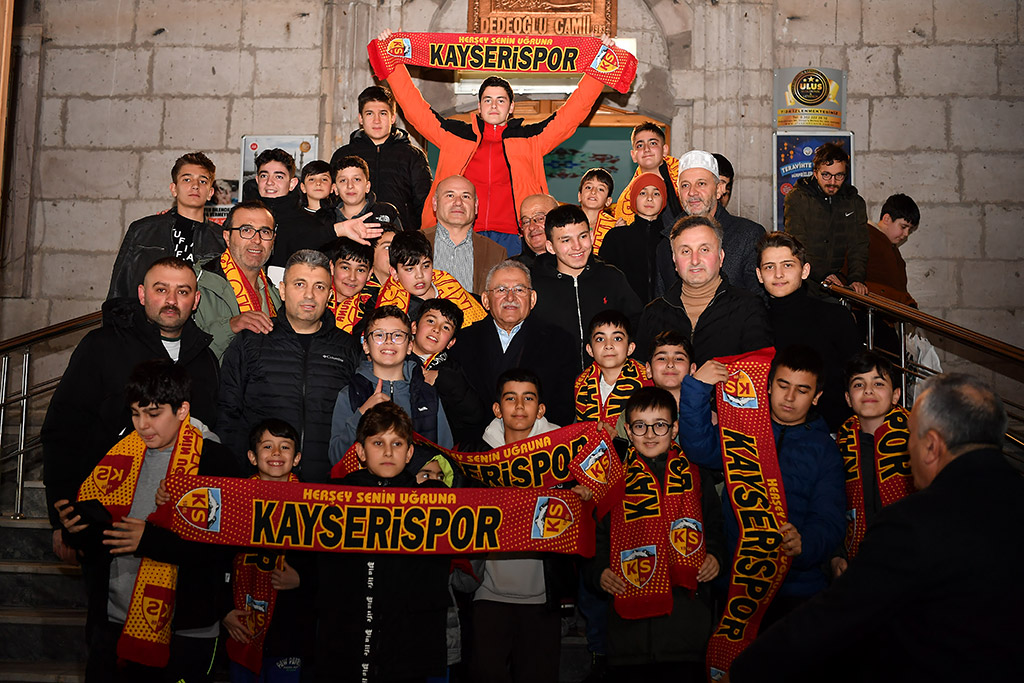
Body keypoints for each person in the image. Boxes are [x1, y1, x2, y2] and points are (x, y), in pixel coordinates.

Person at [729, 374, 1024, 683]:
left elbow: (836, 616)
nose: (907, 451)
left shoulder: (912, 523)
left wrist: (743, 672)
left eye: (910, 436)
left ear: (931, 446)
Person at [54, 360, 238, 682]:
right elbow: (104, 540)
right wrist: (77, 531)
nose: (142, 425)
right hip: (112, 621)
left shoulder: (215, 461)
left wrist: (150, 540)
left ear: (182, 410)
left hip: (185, 629)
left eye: (153, 414)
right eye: (136, 413)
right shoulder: (117, 456)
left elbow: (221, 549)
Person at [43, 257, 220, 561]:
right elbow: (64, 427)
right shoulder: (102, 346)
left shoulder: (206, 360)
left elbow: (211, 437)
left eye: (182, 291)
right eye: (161, 290)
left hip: (177, 525)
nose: (171, 300)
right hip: (103, 514)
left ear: (196, 300)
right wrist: (61, 515)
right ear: (141, 294)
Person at [377, 29, 614, 254]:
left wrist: (599, 65)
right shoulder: (455, 134)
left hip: (516, 236)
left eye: (501, 100)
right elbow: (415, 109)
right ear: (479, 107)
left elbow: (572, 114)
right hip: (459, 232)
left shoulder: (530, 138)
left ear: (511, 107)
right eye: (487, 100)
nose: (493, 105)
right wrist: (393, 60)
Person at [677, 346, 846, 625]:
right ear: (767, 386)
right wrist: (697, 388)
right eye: (783, 385)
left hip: (798, 589)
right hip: (735, 585)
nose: (789, 397)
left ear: (817, 397)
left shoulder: (825, 451)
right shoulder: (742, 429)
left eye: (802, 390)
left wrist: (805, 544)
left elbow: (829, 519)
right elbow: (698, 448)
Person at [590, 387, 725, 682]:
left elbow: (716, 526)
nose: (650, 434)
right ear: (628, 430)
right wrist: (599, 572)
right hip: (628, 635)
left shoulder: (696, 474)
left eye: (660, 425)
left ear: (674, 428)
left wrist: (715, 555)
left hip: (687, 627)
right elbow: (596, 536)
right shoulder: (612, 477)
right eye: (640, 426)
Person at [317, 402, 451, 682]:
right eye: (378, 443)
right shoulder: (334, 496)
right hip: (346, 635)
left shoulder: (432, 502)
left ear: (409, 452)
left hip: (406, 641)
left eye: (397, 443)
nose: (388, 452)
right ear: (360, 451)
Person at [217, 249, 362, 483]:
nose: (309, 295)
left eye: (319, 287)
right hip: (260, 484)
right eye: (300, 284)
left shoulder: (348, 348)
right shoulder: (252, 341)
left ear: (329, 294)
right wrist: (234, 477)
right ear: (283, 290)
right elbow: (227, 413)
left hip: (328, 486)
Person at [469, 368, 575, 683]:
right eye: (510, 398)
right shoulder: (476, 456)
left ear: (540, 409)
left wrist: (582, 493)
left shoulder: (564, 454)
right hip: (487, 594)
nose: (519, 406)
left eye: (528, 398)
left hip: (544, 596)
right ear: (497, 408)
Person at [222, 419, 314, 682]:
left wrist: (302, 579)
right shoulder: (233, 500)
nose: (276, 453)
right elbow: (216, 561)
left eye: (285, 447)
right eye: (267, 446)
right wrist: (224, 611)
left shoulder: (312, 503)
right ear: (252, 457)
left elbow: (326, 566)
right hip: (240, 625)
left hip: (289, 631)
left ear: (296, 458)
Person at [450, 260, 578, 428]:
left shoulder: (560, 341)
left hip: (539, 439)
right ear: (486, 300)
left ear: (532, 299)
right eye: (501, 290)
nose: (510, 298)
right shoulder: (462, 341)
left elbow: (563, 407)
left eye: (519, 290)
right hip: (477, 440)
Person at [756, 231, 863, 430]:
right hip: (772, 433)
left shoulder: (835, 317)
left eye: (788, 265)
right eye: (769, 267)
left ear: (805, 271)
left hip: (833, 431)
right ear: (759, 275)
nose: (778, 274)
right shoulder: (755, 323)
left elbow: (858, 377)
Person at [328, 305, 454, 469]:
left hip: (415, 485)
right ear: (366, 346)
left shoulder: (427, 395)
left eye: (398, 335)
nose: (388, 341)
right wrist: (361, 414)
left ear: (409, 346)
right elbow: (336, 458)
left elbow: (446, 458)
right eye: (379, 335)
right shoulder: (351, 394)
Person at [634, 215, 770, 366]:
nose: (695, 260)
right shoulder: (654, 313)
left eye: (704, 250)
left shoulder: (748, 308)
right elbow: (640, 373)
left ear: (721, 257)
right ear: (674, 260)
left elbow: (759, 370)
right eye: (685, 251)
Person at [830, 350, 914, 579]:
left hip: (912, 563)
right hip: (857, 564)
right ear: (848, 398)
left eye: (878, 383)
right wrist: (836, 556)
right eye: (858, 385)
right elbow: (832, 507)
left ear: (896, 395)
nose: (868, 390)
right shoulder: (838, 447)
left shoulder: (919, 440)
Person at [531, 204, 642, 371]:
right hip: (552, 382)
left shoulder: (612, 278)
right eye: (566, 240)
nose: (577, 246)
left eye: (582, 236)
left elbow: (637, 324)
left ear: (591, 236)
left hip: (608, 381)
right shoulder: (535, 285)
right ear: (550, 247)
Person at [107, 152, 225, 299]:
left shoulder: (222, 239)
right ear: (174, 189)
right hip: (146, 313)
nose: (195, 186)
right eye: (187, 179)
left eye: (202, 181)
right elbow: (118, 289)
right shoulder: (142, 230)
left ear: (210, 193)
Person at [661, 150, 765, 296]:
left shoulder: (748, 236)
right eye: (685, 185)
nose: (692, 192)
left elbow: (759, 300)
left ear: (719, 189)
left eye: (701, 184)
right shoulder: (665, 241)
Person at [329, 84, 433, 231]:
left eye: (383, 113)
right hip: (353, 236)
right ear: (360, 118)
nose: (376, 120)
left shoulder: (412, 156)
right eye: (370, 114)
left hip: (400, 237)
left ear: (393, 118)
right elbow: (331, 200)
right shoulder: (343, 155)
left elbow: (425, 205)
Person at [194, 200, 282, 361]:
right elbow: (184, 353)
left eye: (265, 232)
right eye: (246, 230)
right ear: (227, 237)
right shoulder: (197, 283)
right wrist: (231, 327)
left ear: (273, 240)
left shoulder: (275, 294)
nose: (257, 240)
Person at [783, 142, 869, 296]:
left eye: (839, 176)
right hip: (805, 283)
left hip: (840, 284)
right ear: (815, 173)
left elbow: (859, 245)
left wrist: (856, 278)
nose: (832, 182)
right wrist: (824, 274)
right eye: (826, 175)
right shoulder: (797, 198)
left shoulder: (854, 202)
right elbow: (797, 244)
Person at [409, 298, 488, 446]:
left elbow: (475, 415)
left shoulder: (453, 371)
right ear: (414, 327)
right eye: (431, 321)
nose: (436, 329)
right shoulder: (394, 357)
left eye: (446, 327)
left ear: (451, 343)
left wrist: (443, 379)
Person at [375, 230, 487, 327]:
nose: (419, 275)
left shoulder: (451, 287)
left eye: (426, 266)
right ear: (394, 273)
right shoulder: (388, 303)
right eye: (410, 269)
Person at [422, 175, 508, 294]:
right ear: (435, 203)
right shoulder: (412, 242)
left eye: (466, 196)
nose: (458, 202)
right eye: (450, 195)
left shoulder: (496, 253)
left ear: (476, 206)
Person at [574, 310, 652, 430]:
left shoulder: (646, 379)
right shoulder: (582, 383)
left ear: (630, 348)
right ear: (590, 350)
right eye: (600, 339)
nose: (608, 345)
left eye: (617, 338)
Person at [599, 172, 669, 302]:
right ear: (634, 199)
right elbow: (604, 281)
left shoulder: (672, 238)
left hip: (665, 311)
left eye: (656, 193)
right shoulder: (616, 237)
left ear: (663, 200)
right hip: (625, 311)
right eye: (642, 193)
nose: (649, 198)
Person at [614, 122, 681, 224]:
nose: (646, 149)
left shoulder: (686, 176)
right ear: (633, 156)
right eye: (640, 145)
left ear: (664, 150)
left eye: (653, 143)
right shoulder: (625, 202)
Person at [866, 193, 920, 307]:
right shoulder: (866, 239)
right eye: (903, 227)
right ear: (886, 219)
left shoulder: (891, 248)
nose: (906, 234)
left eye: (910, 230)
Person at [323, 236, 375, 334]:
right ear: (332, 267)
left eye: (360, 270)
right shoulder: (315, 300)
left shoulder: (373, 308)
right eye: (345, 268)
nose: (352, 277)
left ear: (369, 274)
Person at [578, 168, 618, 253]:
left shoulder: (614, 227)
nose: (593, 192)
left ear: (608, 201)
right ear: (579, 196)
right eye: (588, 187)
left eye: (600, 189)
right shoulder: (565, 222)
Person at [515, 193, 559, 269]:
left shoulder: (575, 259)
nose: (531, 227)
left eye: (540, 218)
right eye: (526, 222)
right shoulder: (514, 269)